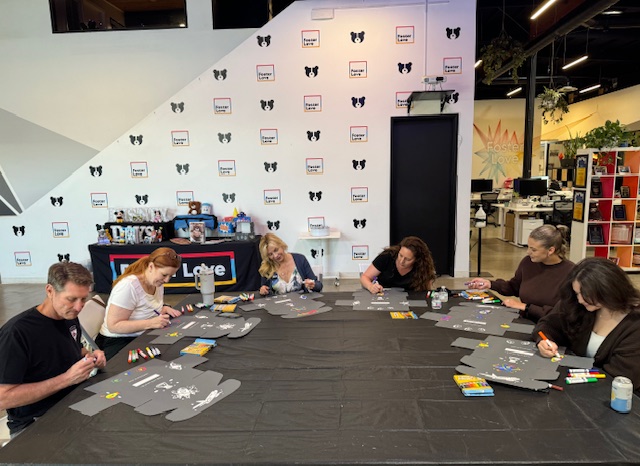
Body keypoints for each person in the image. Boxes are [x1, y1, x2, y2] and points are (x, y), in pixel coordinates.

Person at [0, 262, 106, 438]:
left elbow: (71, 348)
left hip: (72, 404)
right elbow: (3, 398)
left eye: (83, 299)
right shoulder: (16, 333)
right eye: (71, 299)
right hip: (34, 422)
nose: (79, 307)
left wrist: (90, 356)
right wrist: (67, 379)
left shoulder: (69, 316)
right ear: (50, 291)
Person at [534, 257, 640, 389]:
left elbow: (620, 379)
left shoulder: (634, 324)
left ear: (607, 290)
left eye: (585, 294)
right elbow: (547, 324)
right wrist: (544, 341)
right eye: (577, 293)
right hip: (580, 388)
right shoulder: (580, 306)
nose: (579, 299)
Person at [466, 225, 574, 321]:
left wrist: (525, 307)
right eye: (528, 247)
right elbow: (514, 287)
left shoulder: (572, 273)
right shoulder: (529, 262)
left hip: (550, 328)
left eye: (533, 250)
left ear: (550, 250)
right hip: (524, 320)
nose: (528, 252)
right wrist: (490, 284)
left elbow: (564, 315)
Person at [96, 247, 183, 360]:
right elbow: (114, 326)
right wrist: (150, 323)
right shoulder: (128, 286)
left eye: (170, 276)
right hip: (117, 341)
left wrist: (163, 308)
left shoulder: (156, 282)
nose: (166, 280)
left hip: (142, 335)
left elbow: (145, 307)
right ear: (151, 267)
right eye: (164, 275)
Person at [360, 236, 436, 293]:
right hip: (384, 296)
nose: (402, 261)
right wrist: (371, 286)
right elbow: (365, 277)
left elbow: (425, 292)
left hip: (409, 300)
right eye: (400, 255)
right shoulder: (387, 257)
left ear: (417, 260)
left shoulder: (423, 268)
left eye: (408, 259)